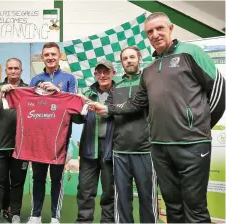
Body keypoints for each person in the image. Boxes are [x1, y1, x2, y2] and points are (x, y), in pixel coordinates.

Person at [89, 12, 225, 223]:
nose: (155, 34)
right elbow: (136, 104)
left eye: (160, 28)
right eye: (150, 31)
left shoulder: (191, 52)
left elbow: (218, 89)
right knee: (173, 207)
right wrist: (107, 109)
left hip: (192, 144)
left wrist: (201, 127)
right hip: (159, 148)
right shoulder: (150, 71)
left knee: (195, 209)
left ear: (171, 28)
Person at [27, 42, 78, 223]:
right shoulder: (35, 80)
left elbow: (74, 104)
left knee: (57, 179)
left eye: (53, 54)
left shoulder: (69, 79)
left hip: (60, 139)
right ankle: (35, 215)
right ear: (42, 57)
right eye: (46, 54)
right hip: (39, 139)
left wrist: (58, 93)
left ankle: (55, 217)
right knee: (38, 178)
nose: (50, 57)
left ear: (59, 56)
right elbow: (30, 107)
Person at [112, 47, 157, 223]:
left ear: (139, 58)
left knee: (147, 198)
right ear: (121, 62)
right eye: (125, 58)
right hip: (120, 151)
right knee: (122, 199)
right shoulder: (116, 86)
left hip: (145, 150)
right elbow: (107, 110)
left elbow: (113, 108)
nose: (129, 61)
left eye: (132, 57)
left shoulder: (148, 82)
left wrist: (113, 109)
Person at [0, 58, 29, 223]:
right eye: (10, 68)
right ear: (6, 71)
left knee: (17, 183)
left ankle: (14, 213)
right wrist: (1, 93)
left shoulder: (28, 89)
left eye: (16, 68)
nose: (13, 71)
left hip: (21, 147)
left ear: (21, 70)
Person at [73, 60, 115, 223]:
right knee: (84, 189)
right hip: (89, 145)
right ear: (95, 75)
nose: (103, 75)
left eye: (106, 72)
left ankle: (108, 221)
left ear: (113, 73)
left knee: (109, 190)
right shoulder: (87, 93)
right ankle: (84, 220)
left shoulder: (119, 92)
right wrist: (76, 109)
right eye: (99, 72)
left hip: (111, 147)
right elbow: (78, 120)